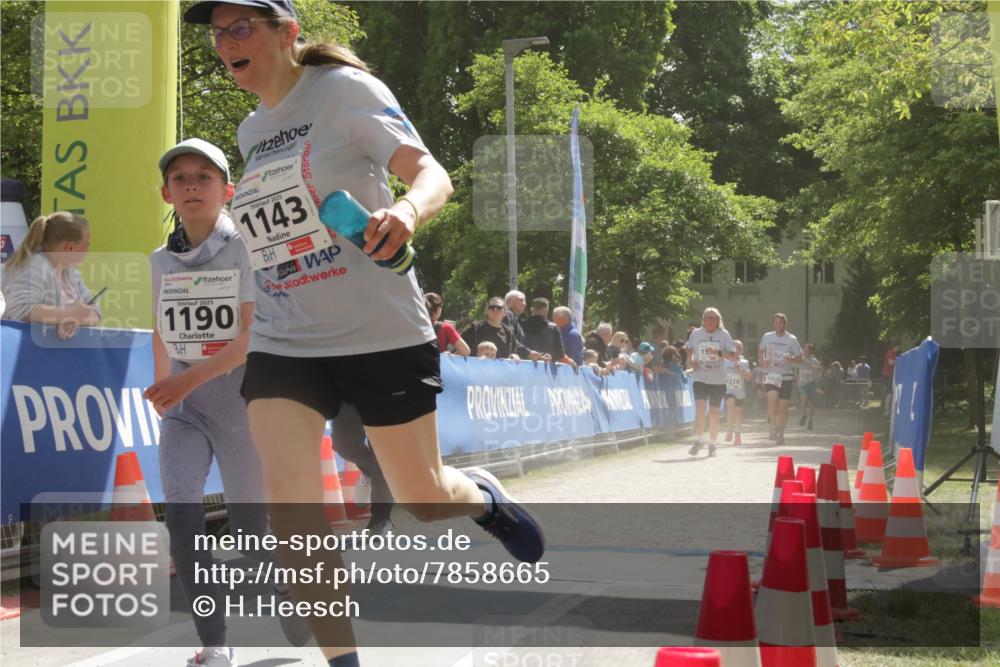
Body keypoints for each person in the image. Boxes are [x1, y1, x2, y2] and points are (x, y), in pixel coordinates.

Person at [184, 3, 545, 665]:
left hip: (378, 329)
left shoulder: (345, 92)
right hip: (285, 334)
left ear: (286, 33)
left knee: (426, 499)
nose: (225, 42)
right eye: (218, 31)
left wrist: (406, 211)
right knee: (289, 499)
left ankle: (484, 496)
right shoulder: (249, 130)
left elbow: (433, 173)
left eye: (242, 28)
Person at [144, 138, 309, 667]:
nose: (191, 186)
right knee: (184, 522)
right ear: (166, 193)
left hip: (241, 405)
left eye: (204, 177)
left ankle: (288, 591)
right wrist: (163, 390)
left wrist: (183, 384)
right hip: (185, 410)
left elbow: (247, 339)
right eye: (181, 179)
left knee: (252, 537)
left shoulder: (247, 248)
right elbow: (161, 329)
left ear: (227, 190)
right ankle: (214, 643)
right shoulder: (158, 259)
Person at [1, 211, 101, 339]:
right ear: (70, 247)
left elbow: (96, 314)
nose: (88, 251)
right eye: (86, 245)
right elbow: (20, 309)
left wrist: (74, 319)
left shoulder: (71, 273)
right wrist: (67, 314)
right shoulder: (34, 265)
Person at [686, 307, 736, 456]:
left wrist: (718, 353)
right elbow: (688, 348)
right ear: (703, 320)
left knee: (714, 413)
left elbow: (733, 355)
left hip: (718, 379)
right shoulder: (696, 333)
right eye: (706, 318)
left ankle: (713, 444)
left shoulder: (723, 334)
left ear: (718, 320)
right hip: (700, 377)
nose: (709, 321)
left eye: (712, 318)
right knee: (700, 409)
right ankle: (699, 440)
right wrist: (691, 361)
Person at [758, 313, 803, 447]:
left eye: (781, 323)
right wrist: (762, 361)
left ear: (785, 324)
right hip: (771, 374)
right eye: (776, 323)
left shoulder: (792, 339)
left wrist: (792, 359)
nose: (778, 325)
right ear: (773, 324)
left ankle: (781, 434)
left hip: (786, 376)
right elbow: (760, 350)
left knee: (783, 409)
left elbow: (800, 358)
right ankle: (773, 425)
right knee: (772, 399)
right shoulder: (767, 337)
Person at [723, 340, 752, 446]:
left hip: (740, 391)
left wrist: (740, 370)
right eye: (735, 348)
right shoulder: (725, 361)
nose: (737, 350)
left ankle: (737, 434)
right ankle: (729, 430)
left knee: (738, 413)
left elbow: (748, 378)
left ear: (741, 350)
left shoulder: (744, 362)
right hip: (728, 390)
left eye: (739, 348)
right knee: (731, 407)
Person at [797, 343, 822, 431]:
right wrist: (796, 378)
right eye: (804, 350)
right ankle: (804, 415)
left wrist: (813, 367)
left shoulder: (814, 360)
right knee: (803, 399)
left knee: (811, 403)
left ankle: (810, 421)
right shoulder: (800, 359)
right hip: (802, 383)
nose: (805, 351)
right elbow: (796, 368)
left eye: (807, 350)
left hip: (812, 383)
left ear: (811, 351)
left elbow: (820, 369)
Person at [882, 343, 900, 416]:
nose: (899, 349)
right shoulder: (890, 352)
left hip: (890, 375)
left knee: (889, 392)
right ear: (895, 347)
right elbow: (890, 362)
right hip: (888, 375)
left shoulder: (894, 353)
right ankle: (887, 411)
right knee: (890, 392)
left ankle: (888, 411)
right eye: (898, 347)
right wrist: (900, 361)